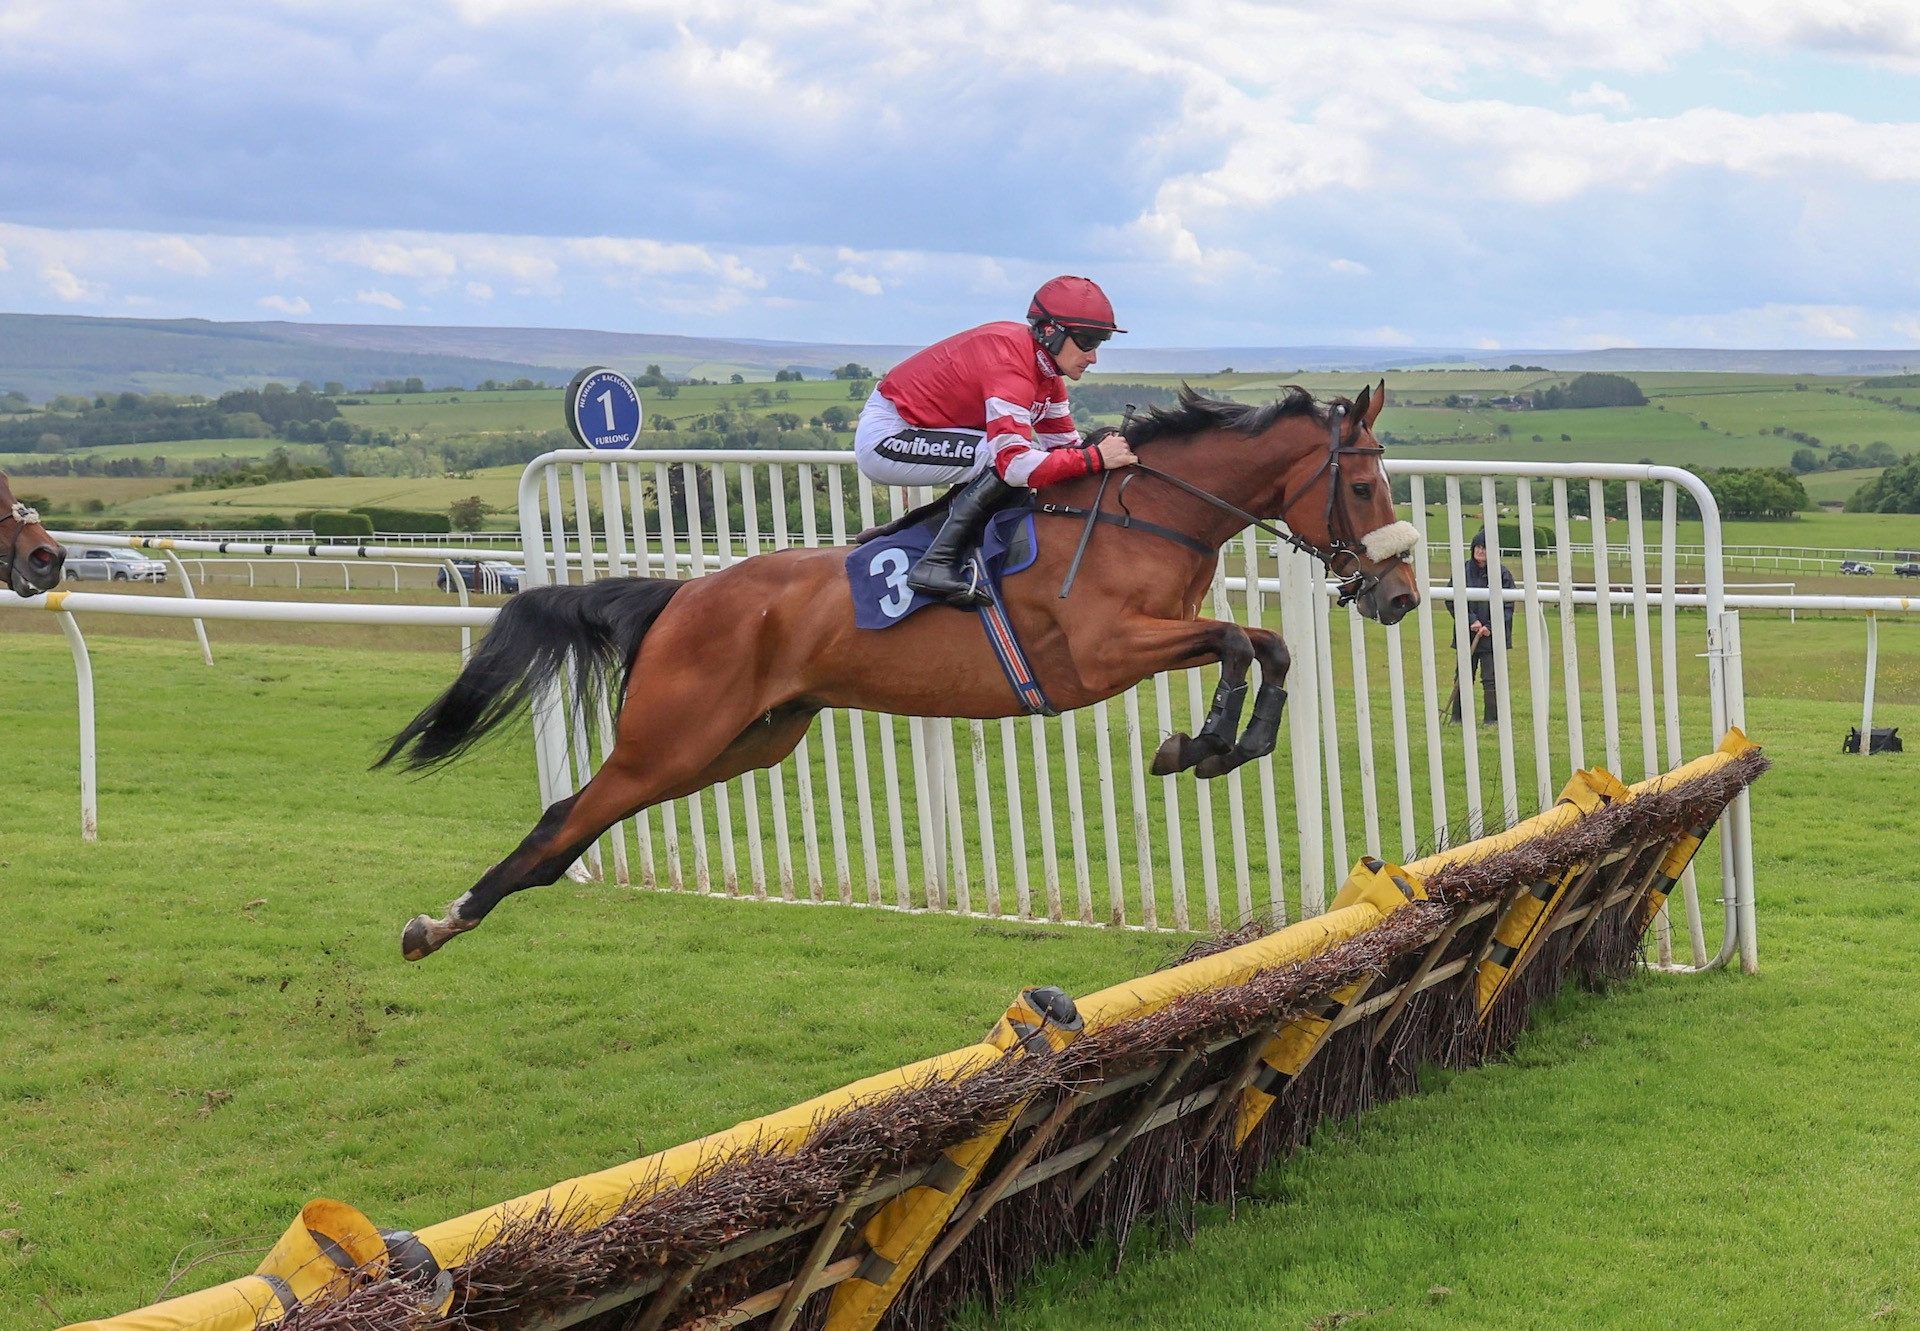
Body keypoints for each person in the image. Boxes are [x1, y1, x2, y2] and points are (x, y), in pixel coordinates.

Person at [853, 276, 1139, 606]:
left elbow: (1064, 452)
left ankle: (902, 533)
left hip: (920, 431)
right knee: (1005, 460)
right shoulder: (1010, 363)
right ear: (1050, 332)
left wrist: (1101, 450)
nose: (1093, 357)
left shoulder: (1046, 376)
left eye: (1099, 343)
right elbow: (1015, 464)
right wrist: (1095, 458)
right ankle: (934, 563)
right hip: (889, 435)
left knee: (1016, 462)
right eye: (1088, 342)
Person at [1445, 529, 1515, 725]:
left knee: (1491, 679)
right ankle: (1458, 718)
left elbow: (1508, 605)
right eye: (1478, 547)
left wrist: (1490, 626)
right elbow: (1451, 599)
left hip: (1492, 637)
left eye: (1484, 548)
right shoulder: (1462, 571)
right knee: (1463, 677)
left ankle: (1491, 720)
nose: (1480, 551)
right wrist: (1471, 621)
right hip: (1468, 633)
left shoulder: (1503, 574)